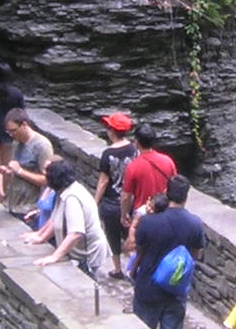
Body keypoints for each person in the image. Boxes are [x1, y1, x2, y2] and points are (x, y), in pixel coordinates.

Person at [128, 176, 206, 329]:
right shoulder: (195, 224)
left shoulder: (148, 222)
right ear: (186, 196)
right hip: (175, 291)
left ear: (166, 192)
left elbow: (137, 250)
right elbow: (196, 254)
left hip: (147, 289)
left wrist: (133, 271)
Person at [31, 157, 115, 277]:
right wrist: (40, 236)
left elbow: (76, 233)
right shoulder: (63, 192)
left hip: (87, 255)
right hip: (79, 252)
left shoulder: (72, 198)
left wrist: (55, 256)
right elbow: (55, 219)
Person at [94, 111, 141, 258]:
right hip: (132, 201)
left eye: (108, 127)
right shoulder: (135, 149)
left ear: (112, 131)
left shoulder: (108, 154)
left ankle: (117, 268)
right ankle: (133, 266)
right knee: (132, 237)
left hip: (111, 202)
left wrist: (94, 202)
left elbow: (103, 181)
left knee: (112, 236)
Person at [0, 108, 54, 217]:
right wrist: (10, 171)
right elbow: (18, 169)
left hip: (29, 210)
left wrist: (19, 171)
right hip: (13, 206)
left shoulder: (42, 146)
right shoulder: (16, 143)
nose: (11, 135)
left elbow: (47, 180)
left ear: (24, 124)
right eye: (8, 131)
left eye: (13, 130)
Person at [120, 132, 179, 231]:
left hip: (143, 214)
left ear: (136, 142)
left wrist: (123, 215)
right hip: (164, 212)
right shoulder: (168, 161)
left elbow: (126, 197)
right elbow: (175, 185)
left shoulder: (133, 167)